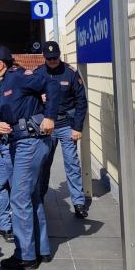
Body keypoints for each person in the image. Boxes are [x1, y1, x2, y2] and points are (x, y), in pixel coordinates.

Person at [0, 45, 61, 270]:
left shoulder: (18, 77)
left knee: (18, 197)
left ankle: (25, 254)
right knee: (31, 196)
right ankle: (42, 249)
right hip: (18, 143)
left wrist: (50, 116)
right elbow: (0, 114)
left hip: (31, 142)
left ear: (1, 63)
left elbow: (52, 84)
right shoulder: (1, 87)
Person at [35, 40, 89, 218]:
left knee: (72, 164)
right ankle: (39, 198)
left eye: (55, 57)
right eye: (49, 59)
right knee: (43, 165)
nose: (53, 61)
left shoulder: (70, 73)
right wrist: (38, 98)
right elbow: (28, 100)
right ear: (44, 57)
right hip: (46, 127)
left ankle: (79, 202)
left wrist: (77, 127)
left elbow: (81, 101)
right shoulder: (38, 74)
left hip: (66, 125)